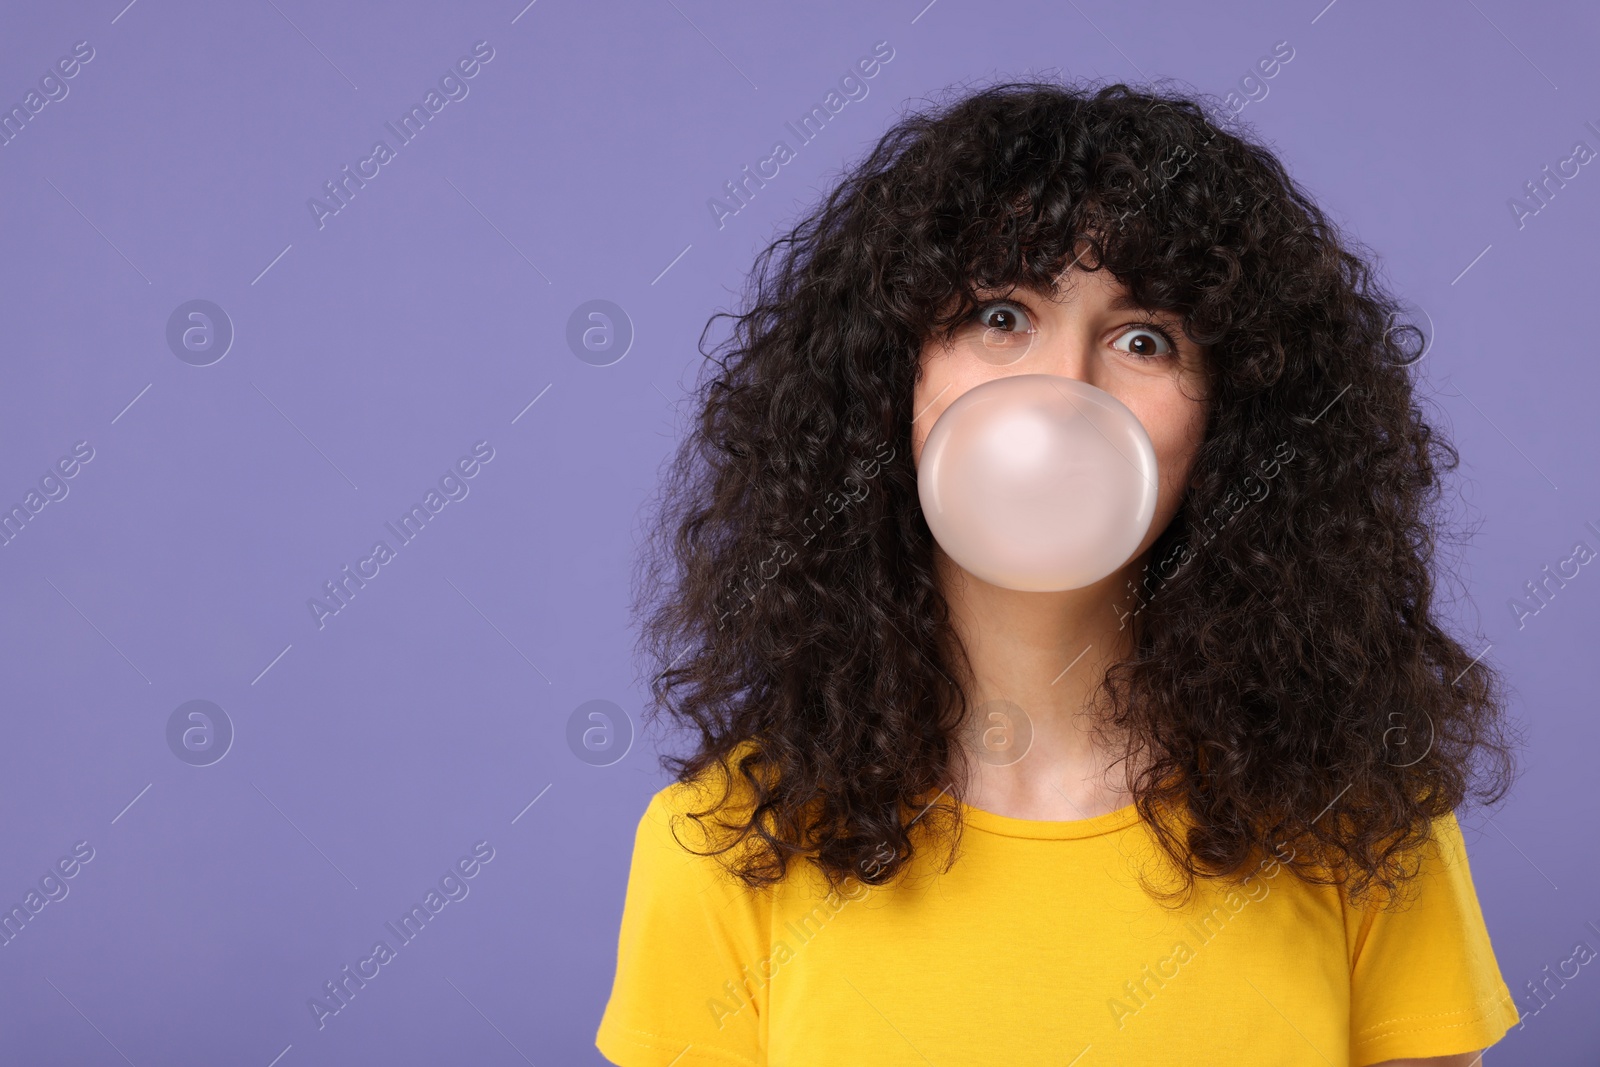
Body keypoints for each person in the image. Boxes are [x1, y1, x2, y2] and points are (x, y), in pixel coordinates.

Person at [598, 80, 1522, 1066]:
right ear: (890, 377)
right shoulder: (728, 842)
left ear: (1234, 421)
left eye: (1142, 339)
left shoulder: (1359, 826)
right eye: (999, 315)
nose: (1063, 388)